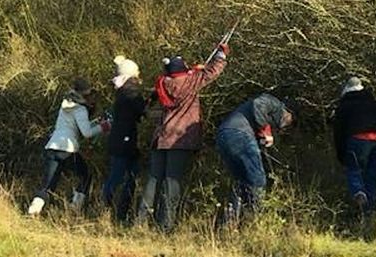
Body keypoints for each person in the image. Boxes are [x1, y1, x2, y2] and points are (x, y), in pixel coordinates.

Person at [137, 41, 230, 231]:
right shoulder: (190, 82)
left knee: (154, 180)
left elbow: (185, 75)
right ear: (183, 70)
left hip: (161, 138)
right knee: (172, 182)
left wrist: (193, 70)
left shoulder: (164, 82)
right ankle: (165, 225)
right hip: (179, 140)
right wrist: (221, 54)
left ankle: (141, 221)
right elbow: (212, 72)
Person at [26, 78, 109, 216]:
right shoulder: (81, 109)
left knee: (48, 184)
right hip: (68, 149)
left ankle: (33, 210)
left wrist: (96, 122)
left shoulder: (65, 105)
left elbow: (75, 126)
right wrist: (104, 127)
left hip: (52, 146)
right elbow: (86, 133)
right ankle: (75, 207)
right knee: (85, 176)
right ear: (85, 95)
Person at [332, 77, 376, 217]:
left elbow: (339, 133)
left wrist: (342, 156)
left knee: (354, 170)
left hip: (359, 138)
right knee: (372, 175)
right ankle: (368, 212)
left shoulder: (344, 107)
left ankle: (358, 192)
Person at [215, 93, 292, 225]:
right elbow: (258, 104)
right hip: (239, 134)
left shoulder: (257, 115)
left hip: (223, 135)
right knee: (257, 179)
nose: (286, 125)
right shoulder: (273, 102)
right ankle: (254, 222)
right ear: (288, 112)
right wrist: (265, 132)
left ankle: (230, 223)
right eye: (289, 121)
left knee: (241, 182)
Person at [102, 55, 148, 224]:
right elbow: (142, 111)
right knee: (121, 177)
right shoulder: (131, 91)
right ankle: (112, 211)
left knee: (125, 176)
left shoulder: (122, 90)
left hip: (120, 140)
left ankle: (117, 212)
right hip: (125, 141)